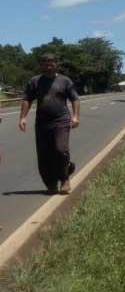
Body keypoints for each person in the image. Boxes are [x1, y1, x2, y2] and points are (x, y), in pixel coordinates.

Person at [18, 53, 80, 194]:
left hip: (61, 120)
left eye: (51, 63)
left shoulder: (65, 81)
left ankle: (64, 177)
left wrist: (75, 116)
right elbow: (27, 99)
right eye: (45, 63)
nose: (48, 66)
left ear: (56, 64)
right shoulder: (35, 81)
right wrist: (22, 117)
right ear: (41, 65)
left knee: (60, 150)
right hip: (42, 123)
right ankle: (51, 184)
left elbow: (75, 99)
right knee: (44, 156)